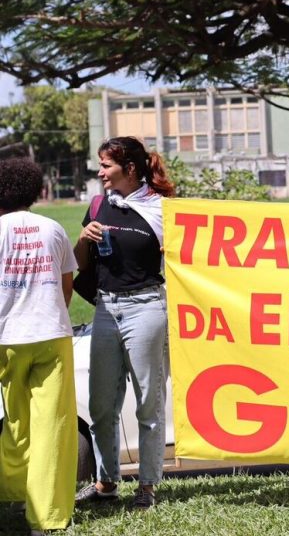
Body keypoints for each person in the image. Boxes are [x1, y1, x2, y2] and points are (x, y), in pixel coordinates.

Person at [73, 137, 175, 510]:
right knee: (101, 404)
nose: (100, 172)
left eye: (105, 165)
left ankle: (147, 487)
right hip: (104, 308)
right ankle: (106, 482)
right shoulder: (100, 204)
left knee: (148, 403)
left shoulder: (162, 209)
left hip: (147, 307)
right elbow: (81, 264)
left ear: (129, 168)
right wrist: (84, 237)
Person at [0, 157, 78, 535]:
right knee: (52, 426)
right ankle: (45, 516)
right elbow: (67, 285)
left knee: (15, 421)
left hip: (6, 338)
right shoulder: (53, 228)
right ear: (36, 191)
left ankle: (12, 493)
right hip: (51, 333)